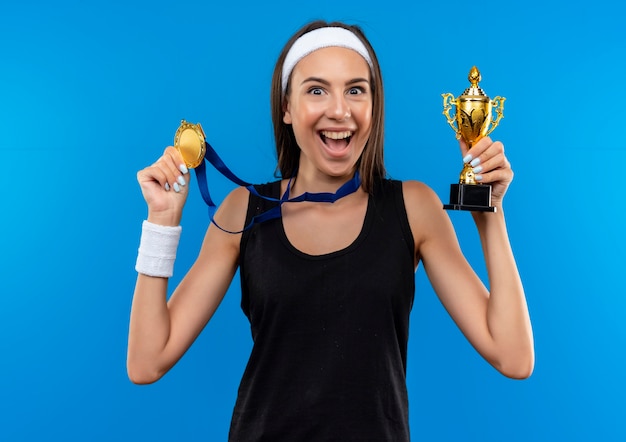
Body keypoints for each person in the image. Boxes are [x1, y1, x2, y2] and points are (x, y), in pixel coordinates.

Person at [127, 20, 534, 441]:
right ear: (287, 107)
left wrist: (491, 214)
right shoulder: (242, 211)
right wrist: (162, 221)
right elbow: (146, 361)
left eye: (356, 90)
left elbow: (513, 356)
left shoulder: (414, 208)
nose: (339, 110)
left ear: (374, 106)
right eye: (316, 90)